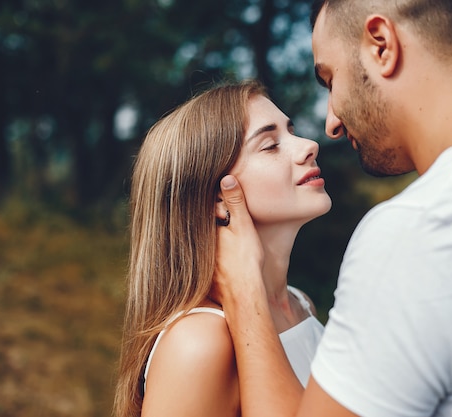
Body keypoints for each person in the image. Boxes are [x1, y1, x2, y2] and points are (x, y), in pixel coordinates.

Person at [212, 0, 452, 416]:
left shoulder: (418, 232)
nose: (331, 122)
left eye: (330, 79)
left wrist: (244, 291)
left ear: (382, 45)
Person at [113, 80, 332, 417]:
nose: (309, 145)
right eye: (271, 145)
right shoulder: (199, 341)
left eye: (293, 131)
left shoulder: (299, 304)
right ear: (217, 198)